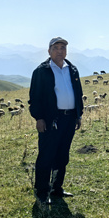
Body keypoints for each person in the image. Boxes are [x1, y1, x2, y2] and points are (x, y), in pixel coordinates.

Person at [29, 37, 84, 205]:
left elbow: (78, 93)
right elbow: (35, 97)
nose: (60, 51)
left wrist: (78, 114)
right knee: (46, 155)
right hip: (51, 119)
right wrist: (39, 118)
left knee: (62, 154)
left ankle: (56, 188)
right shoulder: (42, 71)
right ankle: (42, 191)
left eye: (63, 48)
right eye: (56, 48)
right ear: (49, 51)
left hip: (69, 118)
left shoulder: (72, 69)